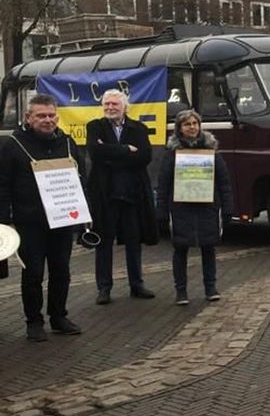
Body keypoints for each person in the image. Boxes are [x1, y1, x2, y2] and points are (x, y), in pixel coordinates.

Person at [0, 94, 84, 341]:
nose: (47, 120)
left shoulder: (67, 143)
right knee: (33, 273)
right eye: (41, 116)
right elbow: (2, 185)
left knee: (61, 270)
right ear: (28, 117)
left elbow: (81, 178)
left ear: (57, 116)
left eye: (51, 115)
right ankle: (34, 321)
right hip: (29, 222)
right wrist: (3, 220)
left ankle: (58, 316)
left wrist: (84, 212)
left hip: (62, 219)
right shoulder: (12, 144)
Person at [86, 89, 159, 304]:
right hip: (105, 193)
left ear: (124, 107)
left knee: (133, 241)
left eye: (114, 104)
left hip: (131, 193)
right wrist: (127, 149)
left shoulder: (139, 128)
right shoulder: (94, 126)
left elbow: (145, 156)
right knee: (104, 241)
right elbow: (94, 153)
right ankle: (104, 288)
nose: (110, 108)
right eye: (106, 104)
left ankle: (137, 284)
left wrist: (110, 154)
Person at [156, 110, 233, 305]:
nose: (192, 127)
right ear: (180, 129)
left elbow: (224, 181)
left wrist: (227, 207)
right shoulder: (172, 153)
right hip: (181, 208)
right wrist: (162, 211)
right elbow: (163, 183)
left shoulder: (211, 151)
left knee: (209, 248)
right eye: (187, 124)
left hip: (207, 207)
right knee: (180, 249)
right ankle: (181, 291)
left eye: (195, 123)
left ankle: (210, 287)